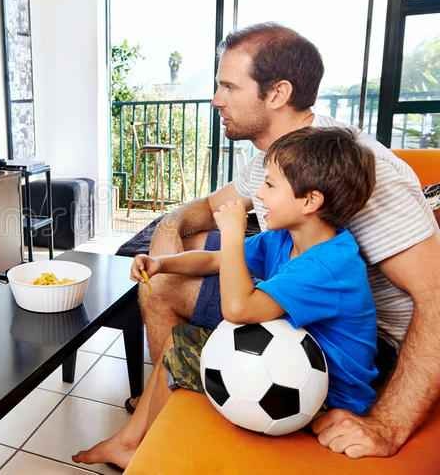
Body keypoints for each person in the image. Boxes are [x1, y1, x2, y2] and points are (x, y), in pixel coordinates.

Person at [125, 23, 440, 459]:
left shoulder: (355, 172)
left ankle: (171, 420)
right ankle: (163, 425)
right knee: (164, 279)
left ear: (277, 94)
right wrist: (167, 231)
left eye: (228, 86)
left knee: (176, 287)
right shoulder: (280, 158)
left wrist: (387, 424)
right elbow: (213, 206)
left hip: (366, 347)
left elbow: (437, 295)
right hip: (307, 308)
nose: (215, 100)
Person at [73, 127, 378, 469]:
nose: (258, 194)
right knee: (178, 342)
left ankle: (149, 450)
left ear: (310, 201)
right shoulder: (285, 238)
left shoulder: (329, 265)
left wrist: (232, 232)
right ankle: (128, 443)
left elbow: (238, 308)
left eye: (270, 184)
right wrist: (161, 264)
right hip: (292, 365)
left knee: (184, 351)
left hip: (327, 397)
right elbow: (214, 260)